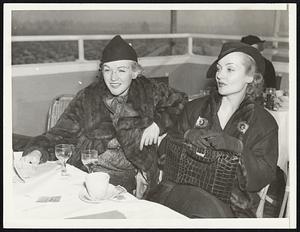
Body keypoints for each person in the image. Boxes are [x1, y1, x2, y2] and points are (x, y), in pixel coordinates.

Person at [20, 35, 188, 196]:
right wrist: (37, 151)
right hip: (88, 172)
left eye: (121, 70)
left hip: (133, 175)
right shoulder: (88, 96)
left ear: (135, 72)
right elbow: (61, 133)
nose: (113, 78)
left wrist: (158, 124)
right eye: (108, 70)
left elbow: (180, 102)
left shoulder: (150, 91)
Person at [148, 42, 278, 218]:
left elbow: (263, 176)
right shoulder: (195, 108)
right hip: (181, 191)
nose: (220, 75)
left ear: (250, 77)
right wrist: (187, 136)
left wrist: (237, 147)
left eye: (230, 69)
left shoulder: (264, 123)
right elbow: (164, 152)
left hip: (231, 203)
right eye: (219, 69)